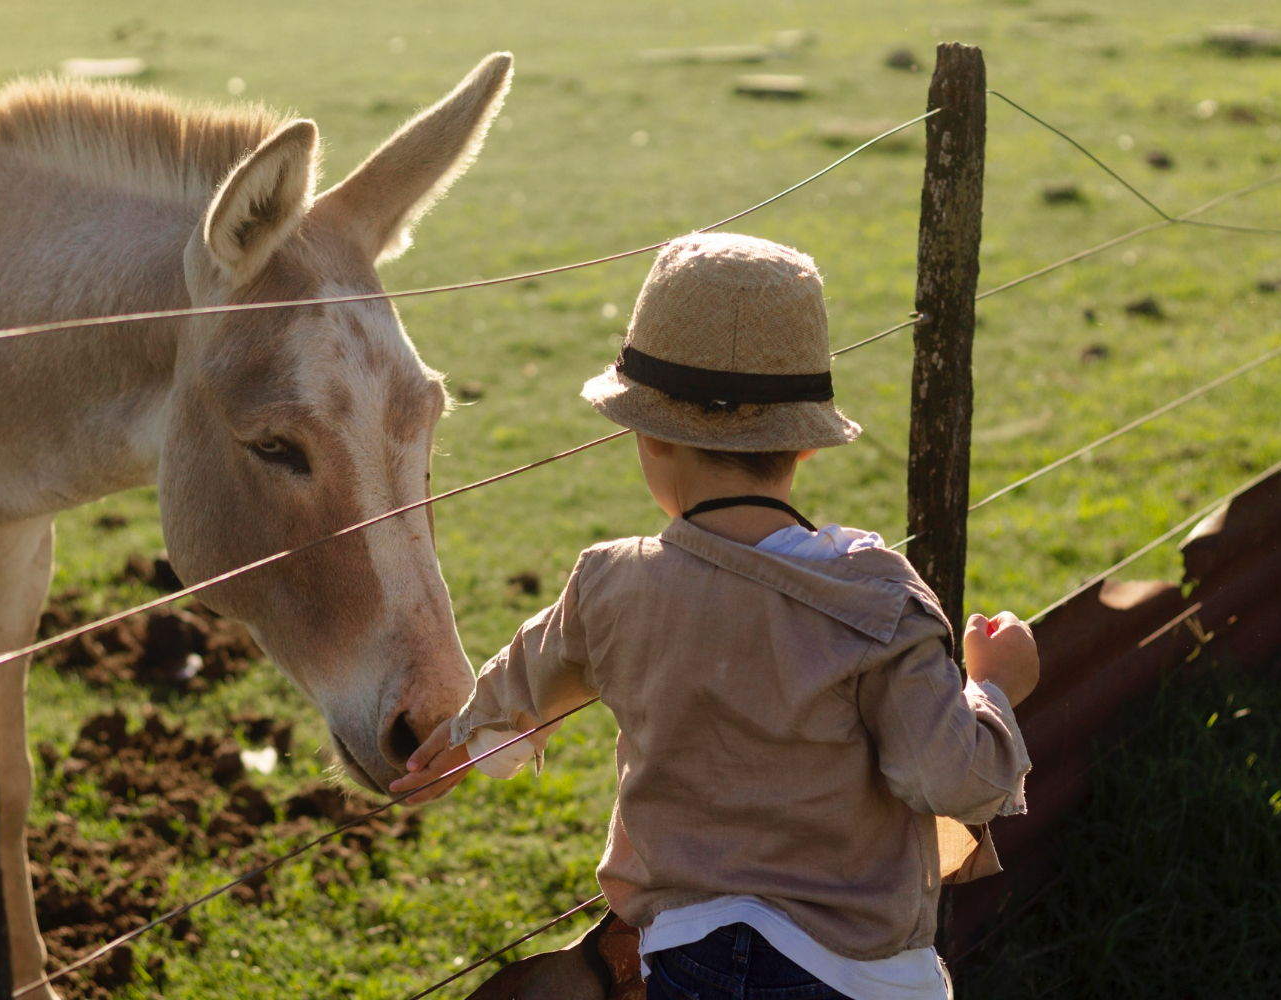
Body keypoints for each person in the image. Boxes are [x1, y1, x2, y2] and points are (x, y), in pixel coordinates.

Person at [392, 232, 1038, 1000]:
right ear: (803, 447)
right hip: (857, 976)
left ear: (649, 436)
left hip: (684, 963)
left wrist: (466, 738)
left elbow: (532, 671)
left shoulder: (611, 585)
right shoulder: (874, 600)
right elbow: (950, 776)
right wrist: (994, 688)